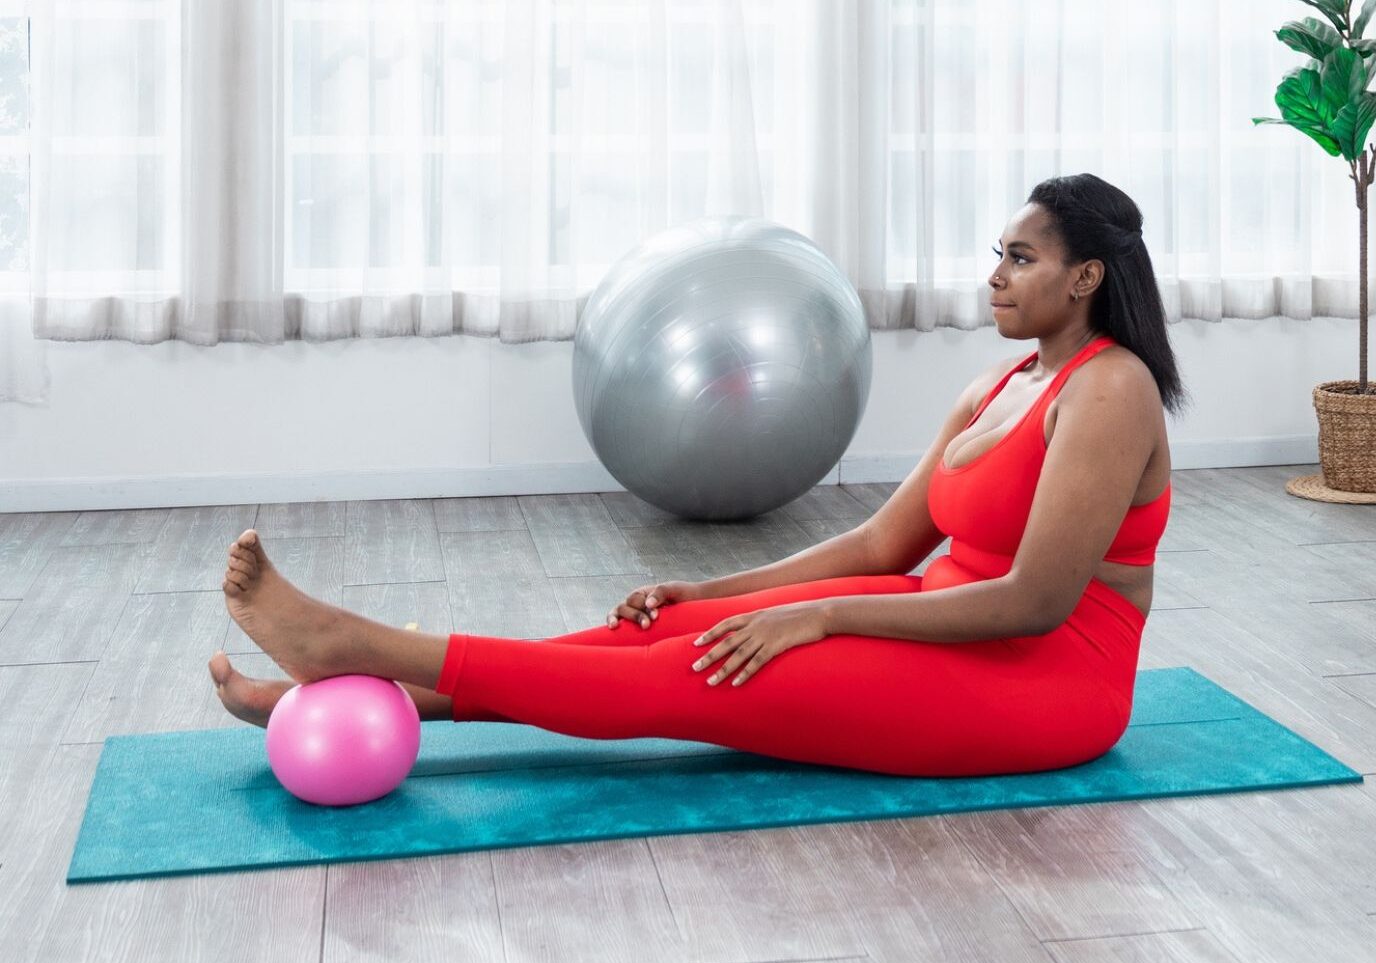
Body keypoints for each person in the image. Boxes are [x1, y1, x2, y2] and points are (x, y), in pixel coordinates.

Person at [209, 173, 1188, 777]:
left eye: (1021, 258)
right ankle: (357, 682)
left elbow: (1033, 601)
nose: (996, 275)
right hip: (938, 618)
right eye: (998, 255)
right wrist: (711, 588)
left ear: (1087, 277)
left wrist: (819, 615)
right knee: (674, 628)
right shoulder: (1003, 381)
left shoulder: (1111, 393)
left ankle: (353, 641)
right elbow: (885, 544)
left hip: (1045, 682)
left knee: (690, 675)